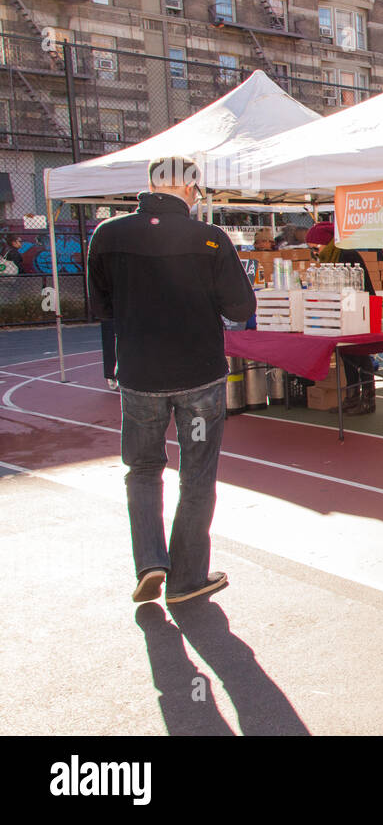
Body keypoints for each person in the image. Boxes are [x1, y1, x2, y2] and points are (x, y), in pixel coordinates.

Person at [87, 156, 255, 605]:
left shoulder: (107, 234)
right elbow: (240, 309)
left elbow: (99, 307)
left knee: (142, 470)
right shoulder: (210, 238)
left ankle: (150, 562)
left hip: (140, 374)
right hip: (199, 375)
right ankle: (187, 578)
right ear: (191, 189)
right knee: (197, 474)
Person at [306, 220, 377, 415]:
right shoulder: (330, 258)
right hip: (344, 309)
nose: (313, 251)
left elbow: (358, 286)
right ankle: (352, 397)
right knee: (346, 354)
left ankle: (368, 399)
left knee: (360, 354)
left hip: (359, 308)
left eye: (315, 247)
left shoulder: (347, 255)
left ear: (326, 243)